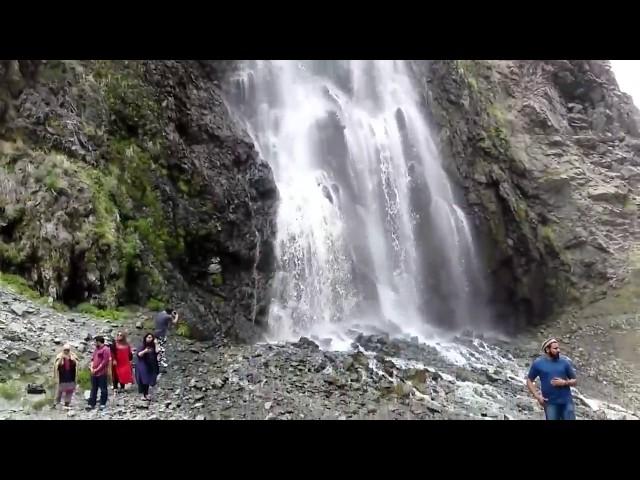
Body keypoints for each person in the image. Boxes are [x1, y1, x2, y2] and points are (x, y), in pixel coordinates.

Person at [527, 337, 577, 420]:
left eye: (558, 348)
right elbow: (529, 380)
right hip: (550, 404)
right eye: (555, 348)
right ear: (547, 350)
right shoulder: (538, 363)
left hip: (566, 402)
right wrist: (537, 396)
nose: (559, 350)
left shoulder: (564, 362)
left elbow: (575, 381)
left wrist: (564, 382)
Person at [86, 336, 111, 411]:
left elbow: (104, 362)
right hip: (94, 373)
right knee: (93, 389)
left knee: (103, 389)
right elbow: (93, 359)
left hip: (102, 373)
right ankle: (91, 403)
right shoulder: (96, 349)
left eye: (95, 342)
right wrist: (91, 367)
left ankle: (102, 403)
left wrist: (97, 369)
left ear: (99, 341)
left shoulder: (106, 349)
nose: (94, 343)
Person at [52, 344, 78, 409]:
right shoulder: (59, 356)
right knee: (59, 390)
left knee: (70, 390)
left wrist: (71, 359)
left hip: (71, 375)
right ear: (63, 350)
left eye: (68, 350)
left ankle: (67, 403)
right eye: (65, 350)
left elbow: (76, 364)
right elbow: (57, 365)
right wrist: (62, 358)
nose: (66, 351)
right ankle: (56, 403)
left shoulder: (73, 355)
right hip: (62, 375)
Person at [135, 333, 160, 401]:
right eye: (148, 337)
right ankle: (142, 394)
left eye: (151, 337)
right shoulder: (142, 346)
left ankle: (146, 394)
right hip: (142, 364)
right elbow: (139, 354)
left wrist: (156, 343)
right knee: (143, 379)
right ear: (145, 338)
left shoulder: (153, 346)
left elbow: (157, 351)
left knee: (148, 379)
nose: (149, 339)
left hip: (150, 365)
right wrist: (145, 351)